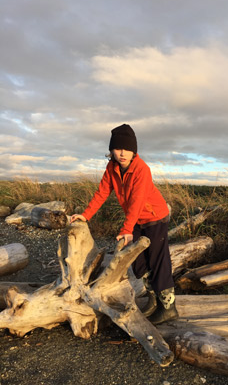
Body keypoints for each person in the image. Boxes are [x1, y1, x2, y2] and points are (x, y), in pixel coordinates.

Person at [70, 124, 178, 325]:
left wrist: (127, 228)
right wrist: (85, 215)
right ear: (111, 150)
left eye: (127, 149)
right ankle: (153, 300)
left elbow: (137, 201)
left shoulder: (141, 169)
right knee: (137, 260)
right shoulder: (112, 168)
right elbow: (102, 192)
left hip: (155, 218)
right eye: (118, 149)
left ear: (134, 150)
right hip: (136, 218)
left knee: (158, 260)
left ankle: (168, 307)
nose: (122, 153)